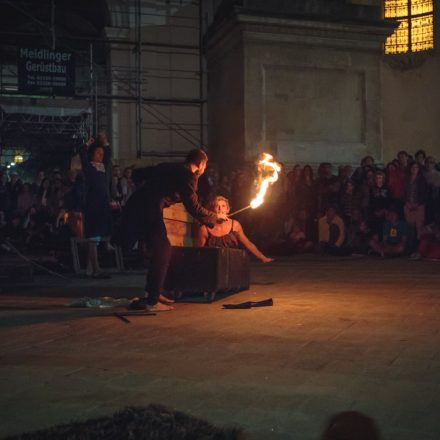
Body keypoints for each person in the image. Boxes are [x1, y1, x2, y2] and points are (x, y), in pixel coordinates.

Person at [113, 149, 228, 312]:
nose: (204, 169)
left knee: (159, 250)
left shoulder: (170, 167)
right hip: (148, 209)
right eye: (205, 165)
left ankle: (153, 293)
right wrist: (214, 218)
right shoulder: (189, 176)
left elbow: (138, 174)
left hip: (139, 204)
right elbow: (193, 207)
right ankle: (151, 301)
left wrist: (154, 190)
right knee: (163, 249)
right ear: (201, 164)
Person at [195, 195, 273, 263]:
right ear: (211, 210)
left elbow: (248, 244)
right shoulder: (205, 228)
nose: (220, 208)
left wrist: (262, 257)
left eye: (223, 206)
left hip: (232, 262)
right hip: (212, 264)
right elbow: (199, 251)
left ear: (227, 209)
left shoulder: (235, 225)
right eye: (217, 206)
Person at [79, 130, 112, 279]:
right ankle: (96, 268)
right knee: (93, 236)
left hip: (103, 204)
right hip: (93, 204)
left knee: (97, 237)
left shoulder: (103, 168)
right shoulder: (90, 167)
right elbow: (82, 155)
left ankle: (89, 268)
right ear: (93, 154)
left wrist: (104, 140)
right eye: (98, 153)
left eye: (101, 153)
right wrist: (88, 144)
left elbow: (109, 154)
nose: (101, 155)